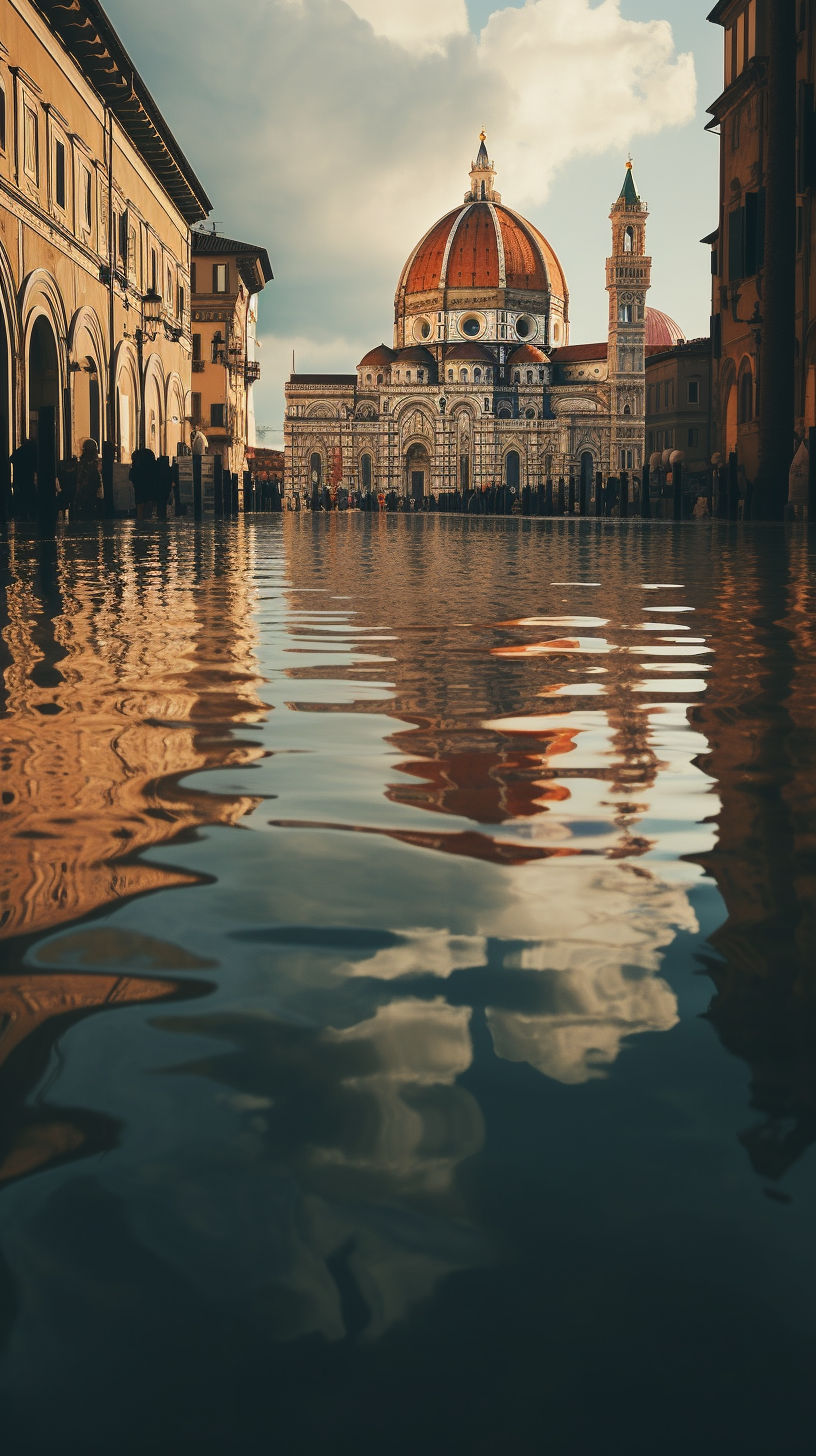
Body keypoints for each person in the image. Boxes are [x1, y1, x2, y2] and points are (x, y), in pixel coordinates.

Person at [73, 438, 102, 519]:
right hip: (92, 493)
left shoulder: (81, 464)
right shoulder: (97, 464)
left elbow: (79, 480)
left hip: (83, 493)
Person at [129, 447, 158, 520]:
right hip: (148, 492)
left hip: (140, 493)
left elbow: (131, 477)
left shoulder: (135, 470)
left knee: (141, 507)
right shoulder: (152, 469)